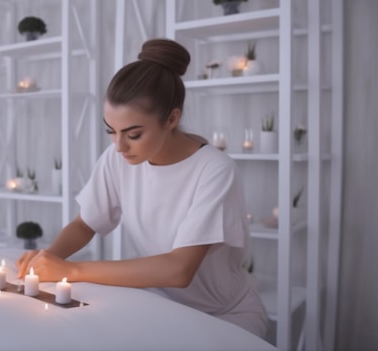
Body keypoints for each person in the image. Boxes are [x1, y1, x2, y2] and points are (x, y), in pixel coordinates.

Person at [16, 38, 268, 338]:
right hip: (160, 307)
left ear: (172, 118)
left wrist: (70, 270)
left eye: (133, 134)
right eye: (112, 131)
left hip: (225, 318)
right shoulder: (117, 158)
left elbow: (179, 270)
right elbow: (86, 223)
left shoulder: (214, 169)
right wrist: (47, 260)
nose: (119, 146)